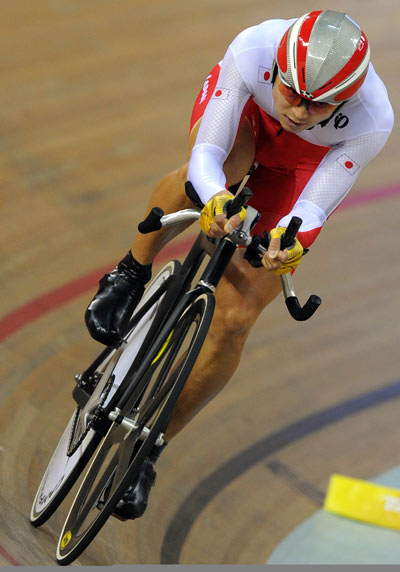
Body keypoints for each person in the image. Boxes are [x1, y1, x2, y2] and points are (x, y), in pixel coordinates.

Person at [85, 10, 394, 520]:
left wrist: (290, 243)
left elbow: (312, 208)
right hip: (246, 122)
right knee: (212, 175)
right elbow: (209, 151)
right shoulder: (255, 48)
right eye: (292, 91)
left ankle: (149, 447)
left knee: (234, 320)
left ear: (346, 100)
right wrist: (215, 198)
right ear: (279, 67)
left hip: (301, 167)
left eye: (318, 105)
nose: (298, 109)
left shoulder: (373, 117)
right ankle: (130, 272)